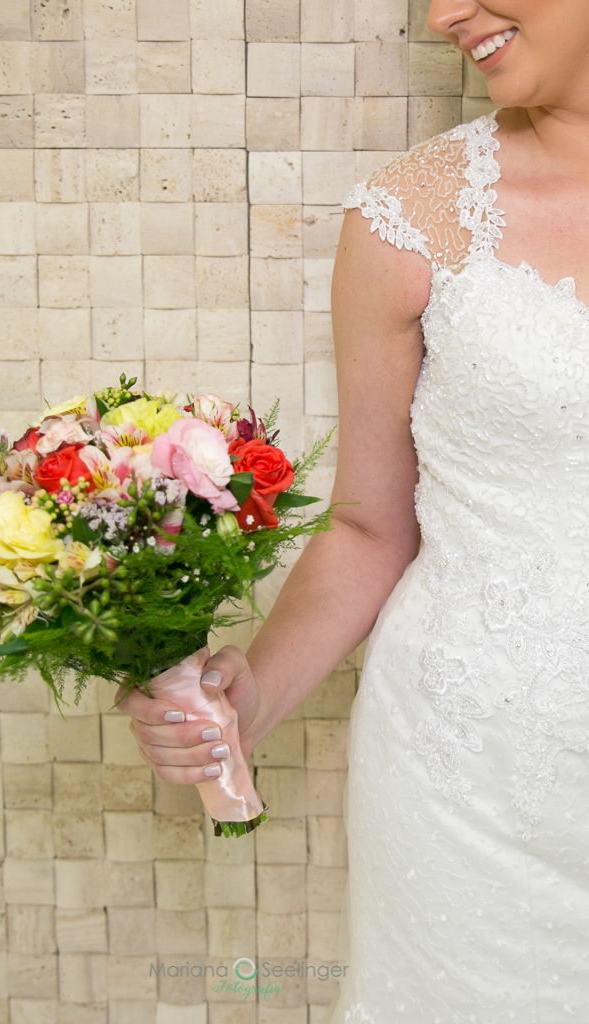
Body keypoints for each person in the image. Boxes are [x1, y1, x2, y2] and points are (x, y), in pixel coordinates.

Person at [118, 2, 589, 1018]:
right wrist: (244, 705)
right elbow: (371, 527)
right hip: (470, 792)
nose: (444, 13)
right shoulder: (409, 219)